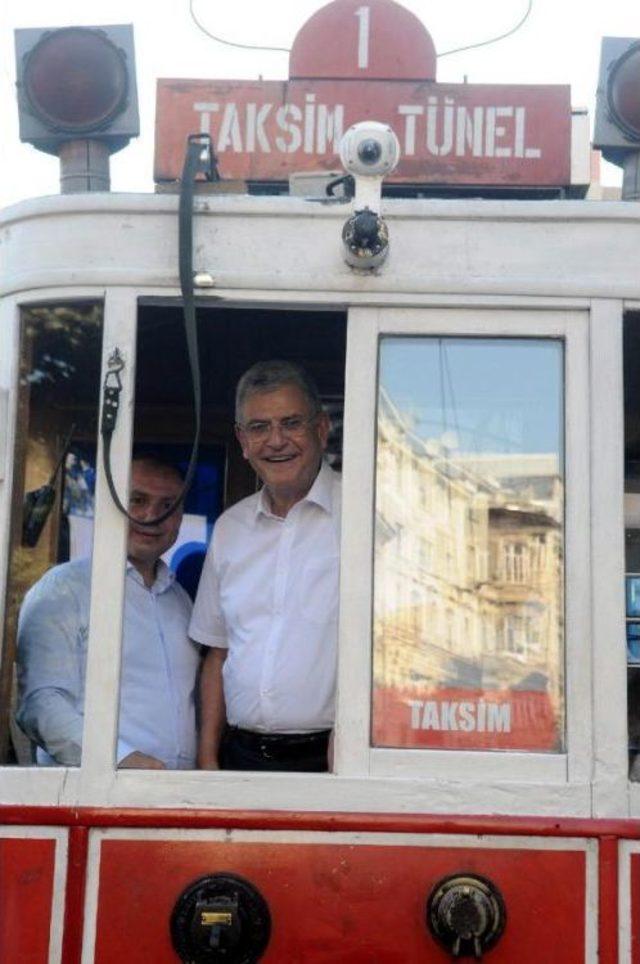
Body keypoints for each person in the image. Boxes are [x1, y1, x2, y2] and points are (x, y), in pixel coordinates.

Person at [190, 360, 341, 772]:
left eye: (291, 423)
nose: (276, 441)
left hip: (332, 761)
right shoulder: (229, 528)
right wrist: (207, 758)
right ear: (242, 439)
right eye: (259, 428)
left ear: (321, 429)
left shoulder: (364, 517)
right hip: (239, 757)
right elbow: (217, 652)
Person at [16, 455, 199, 769]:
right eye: (137, 500)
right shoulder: (64, 589)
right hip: (92, 800)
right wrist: (123, 760)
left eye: (168, 504)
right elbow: (41, 705)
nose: (152, 515)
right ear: (108, 505)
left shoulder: (180, 599)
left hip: (179, 799)